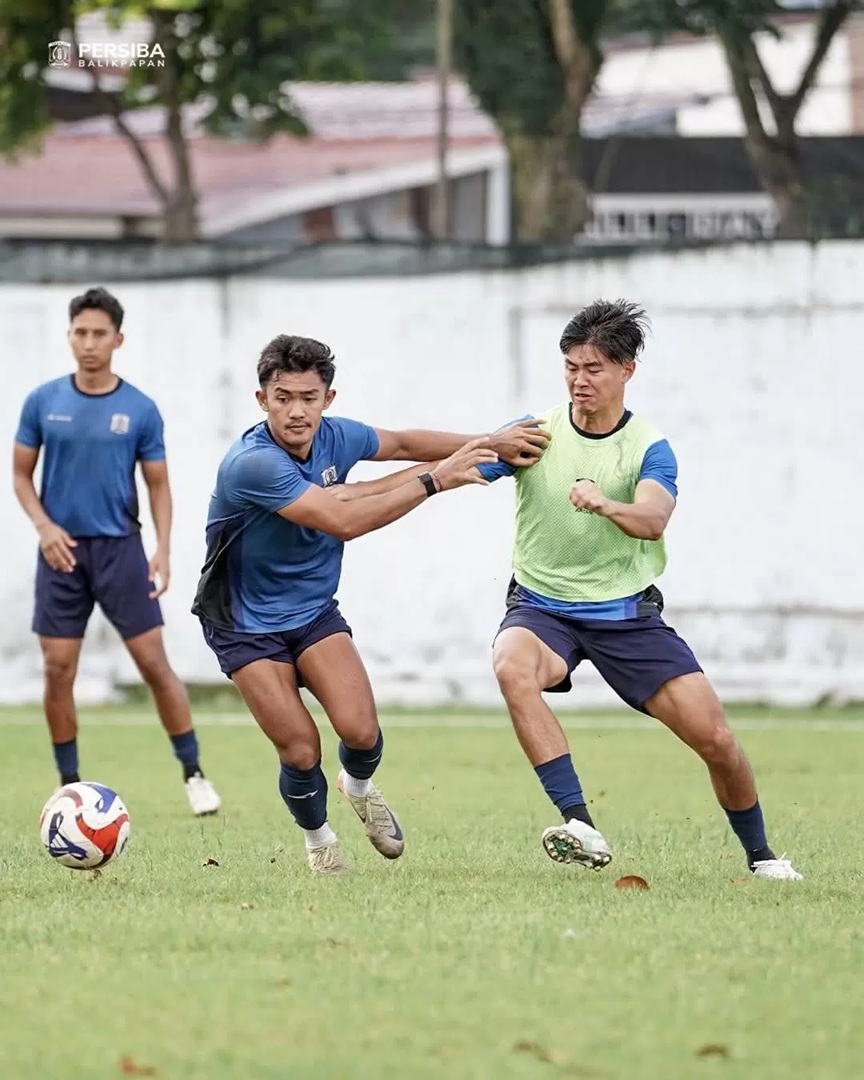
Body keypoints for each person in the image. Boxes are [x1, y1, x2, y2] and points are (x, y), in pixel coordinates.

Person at [192, 333, 548, 875]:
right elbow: (343, 519)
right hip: (244, 623)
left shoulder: (338, 436)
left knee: (361, 732)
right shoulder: (252, 463)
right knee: (300, 748)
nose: (296, 411)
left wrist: (489, 442)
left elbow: (401, 444)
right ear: (262, 400)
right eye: (283, 397)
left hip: (312, 611)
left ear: (328, 399)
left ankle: (357, 786)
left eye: (308, 397)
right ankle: (319, 841)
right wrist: (438, 480)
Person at [473, 299, 801, 880]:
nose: (579, 380)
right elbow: (461, 462)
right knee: (510, 666)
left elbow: (653, 519)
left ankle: (762, 857)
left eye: (594, 368)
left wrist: (605, 503)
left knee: (717, 740)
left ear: (627, 370)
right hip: (542, 608)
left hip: (626, 616)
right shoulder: (536, 434)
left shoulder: (649, 447)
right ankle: (579, 823)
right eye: (571, 366)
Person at [13, 287, 221, 816]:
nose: (89, 343)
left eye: (99, 334)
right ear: (69, 337)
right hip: (61, 554)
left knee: (153, 663)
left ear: (117, 340)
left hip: (121, 552)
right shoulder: (42, 402)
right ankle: (68, 785)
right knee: (58, 669)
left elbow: (158, 485)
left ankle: (194, 772)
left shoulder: (140, 409)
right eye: (80, 333)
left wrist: (163, 549)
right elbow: (19, 475)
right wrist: (44, 527)